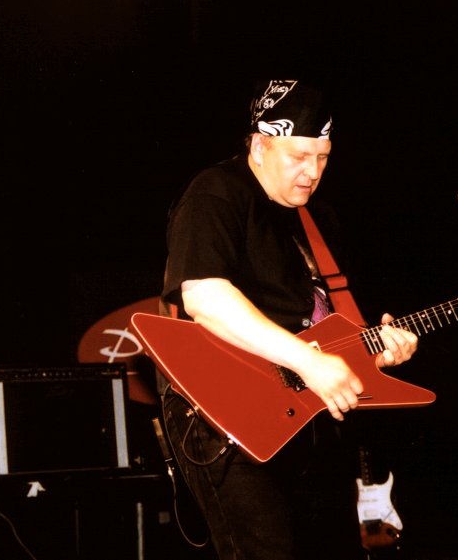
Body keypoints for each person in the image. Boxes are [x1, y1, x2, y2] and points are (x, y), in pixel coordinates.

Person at [157, 79, 418, 560]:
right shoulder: (216, 192)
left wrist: (372, 352)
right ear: (259, 146)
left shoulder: (319, 219)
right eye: (299, 156)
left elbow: (325, 329)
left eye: (323, 158)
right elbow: (205, 296)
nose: (312, 172)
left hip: (308, 416)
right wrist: (308, 360)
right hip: (224, 413)